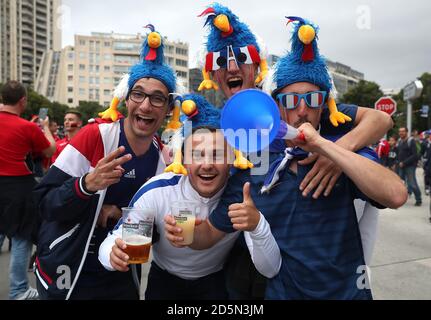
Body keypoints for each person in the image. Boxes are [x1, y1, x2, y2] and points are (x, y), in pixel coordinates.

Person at [166, 16, 407, 300]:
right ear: (278, 107)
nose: (302, 111)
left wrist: (331, 151)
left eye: (313, 100)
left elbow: (395, 192)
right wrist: (187, 233)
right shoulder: (251, 168)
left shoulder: (339, 151)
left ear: (325, 107)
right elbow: (208, 232)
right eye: (291, 102)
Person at [33, 25, 176, 300]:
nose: (146, 106)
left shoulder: (165, 159)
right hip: (69, 270)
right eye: (138, 94)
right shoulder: (94, 136)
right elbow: (44, 202)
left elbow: (154, 230)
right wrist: (86, 185)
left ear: (169, 108)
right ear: (126, 99)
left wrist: (125, 215)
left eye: (157, 98)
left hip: (120, 275)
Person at [99, 94, 281, 299]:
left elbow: (270, 267)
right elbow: (116, 239)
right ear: (183, 161)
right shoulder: (159, 193)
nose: (207, 164)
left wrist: (257, 225)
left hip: (215, 282)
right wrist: (112, 255)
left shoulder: (241, 195)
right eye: (197, 154)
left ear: (232, 160)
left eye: (217, 154)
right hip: (163, 281)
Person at [0, 80, 56, 300]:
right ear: (23, 101)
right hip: (17, 186)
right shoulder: (27, 127)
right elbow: (49, 149)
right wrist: (45, 128)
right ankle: (18, 290)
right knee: (22, 238)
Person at [397, 127, 422, 206]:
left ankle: (418, 199)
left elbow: (415, 155)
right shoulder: (399, 141)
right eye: (400, 132)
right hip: (401, 165)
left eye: (403, 131)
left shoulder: (411, 141)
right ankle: (401, 200)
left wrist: (404, 162)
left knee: (412, 184)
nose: (401, 133)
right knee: (401, 184)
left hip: (410, 166)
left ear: (406, 132)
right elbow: (399, 153)